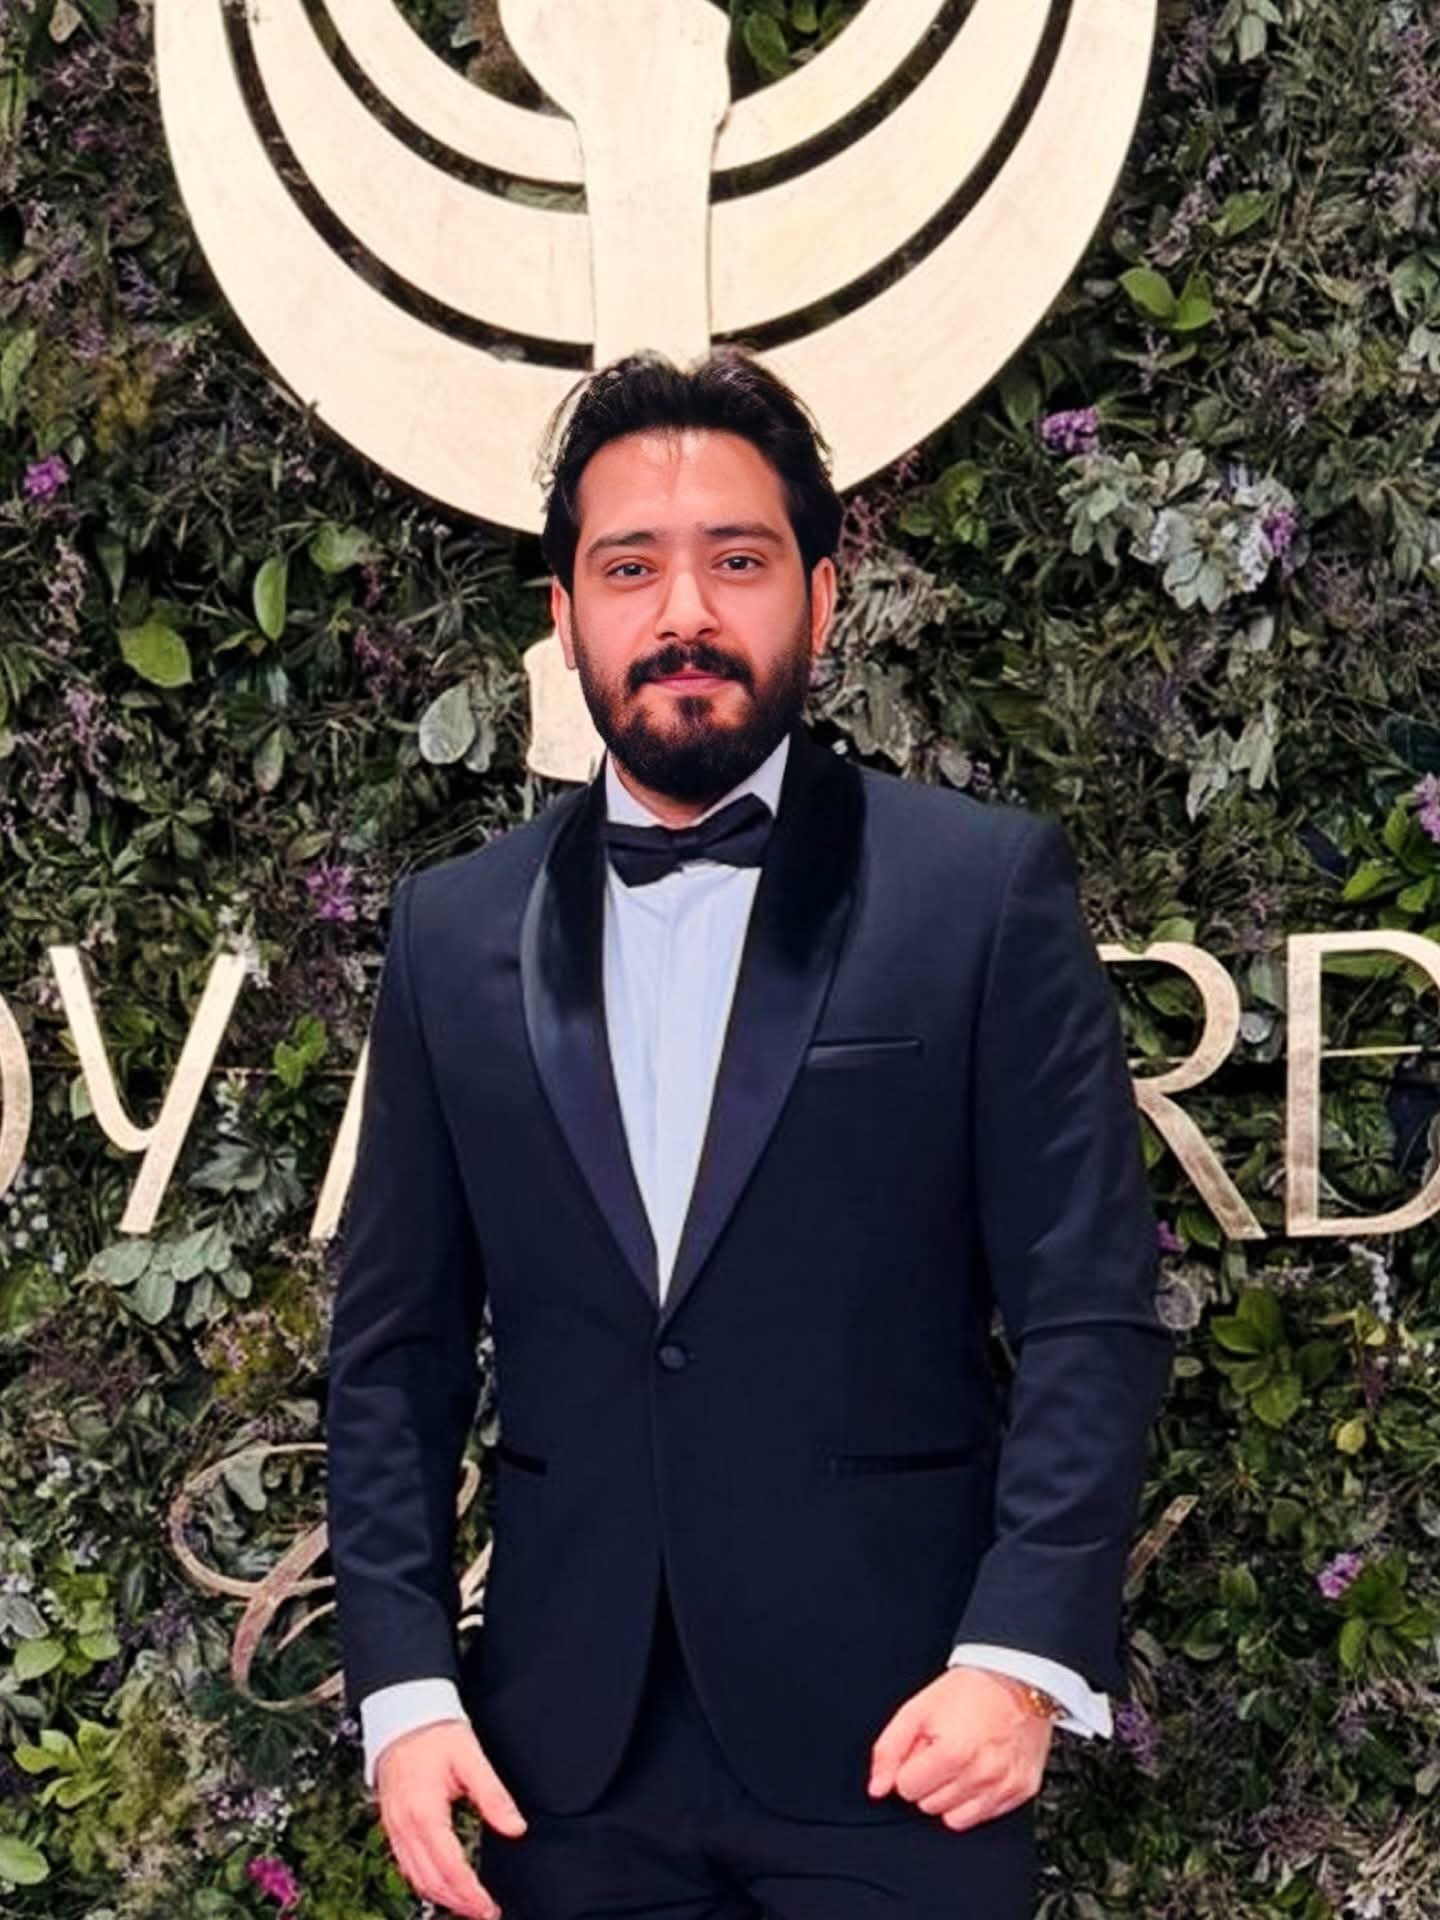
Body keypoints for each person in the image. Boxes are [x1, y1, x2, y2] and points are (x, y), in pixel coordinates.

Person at [324, 347, 1174, 1920]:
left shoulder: (977, 892)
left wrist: (1017, 1660)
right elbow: (394, 1352)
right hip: (556, 1765)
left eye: (737, 560)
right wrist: (405, 1690)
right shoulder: (451, 931)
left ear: (821, 597)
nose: (684, 613)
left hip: (903, 1740)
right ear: (565, 615)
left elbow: (1088, 1310)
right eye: (628, 568)